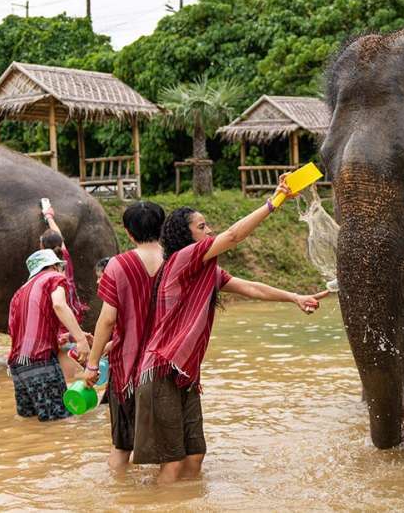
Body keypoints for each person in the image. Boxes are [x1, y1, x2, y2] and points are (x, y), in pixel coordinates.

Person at [132, 177, 322, 484]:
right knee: (174, 461)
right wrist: (273, 202)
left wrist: (295, 297)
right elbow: (234, 236)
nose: (210, 232)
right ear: (186, 234)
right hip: (160, 371)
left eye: (208, 227)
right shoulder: (182, 260)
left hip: (185, 375)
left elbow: (250, 288)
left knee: (194, 456)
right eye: (203, 227)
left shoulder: (205, 270)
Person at [78, 202, 165, 473]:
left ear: (128, 232)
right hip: (166, 365)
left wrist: (92, 365)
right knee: (168, 446)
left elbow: (107, 319)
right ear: (162, 227)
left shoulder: (118, 265)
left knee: (122, 446)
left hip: (127, 369)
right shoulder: (176, 260)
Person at [7, 249, 91, 421]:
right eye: (60, 267)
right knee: (58, 422)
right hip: (41, 363)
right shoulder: (53, 278)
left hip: (18, 368)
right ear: (54, 266)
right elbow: (59, 305)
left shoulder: (19, 292)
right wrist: (81, 340)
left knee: (29, 422)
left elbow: (17, 332)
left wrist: (70, 336)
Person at [39, 200, 92, 380]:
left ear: (41, 248)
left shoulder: (46, 267)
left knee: (61, 350)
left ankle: (74, 378)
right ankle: (88, 369)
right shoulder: (65, 258)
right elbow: (59, 237)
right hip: (72, 310)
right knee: (69, 345)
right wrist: (49, 216)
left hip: (59, 312)